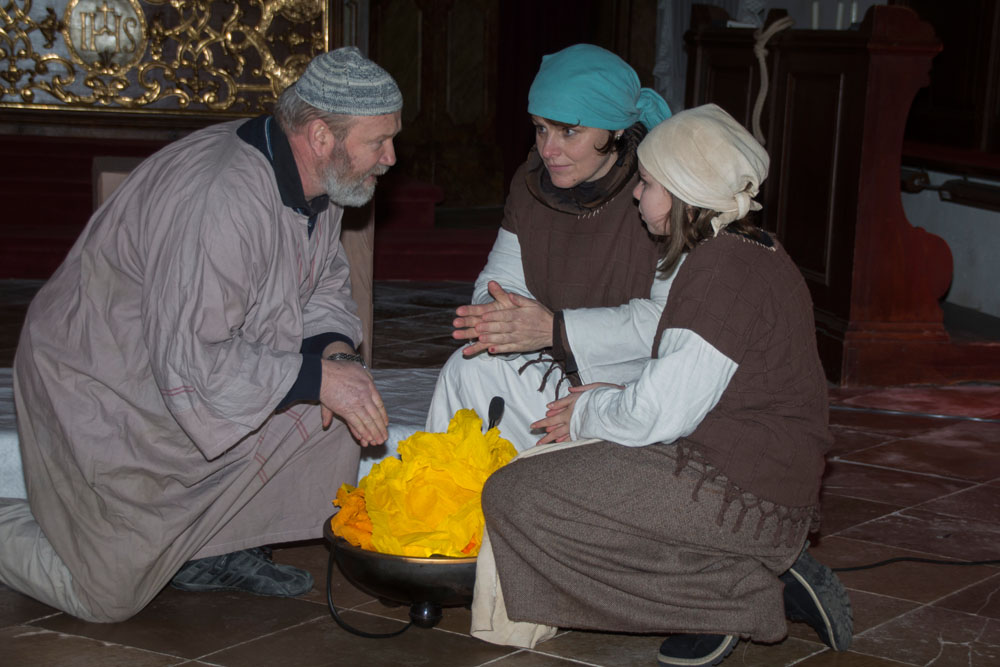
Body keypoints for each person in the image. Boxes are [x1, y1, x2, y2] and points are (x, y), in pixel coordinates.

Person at [0, 46, 400, 623]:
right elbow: (194, 361)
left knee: (341, 412)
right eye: (379, 142)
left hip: (188, 371)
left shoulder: (325, 177)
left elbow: (323, 283)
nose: (390, 157)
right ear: (320, 136)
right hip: (108, 390)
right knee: (106, 596)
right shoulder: (222, 198)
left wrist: (335, 356)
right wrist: (318, 378)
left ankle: (207, 551)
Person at [479, 105, 853, 666]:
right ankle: (744, 572)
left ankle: (734, 598)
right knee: (574, 472)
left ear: (685, 194)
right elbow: (690, 384)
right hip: (752, 477)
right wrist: (605, 400)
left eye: (649, 184)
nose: (636, 194)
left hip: (746, 494)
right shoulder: (748, 248)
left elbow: (655, 415)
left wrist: (588, 412)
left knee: (517, 496)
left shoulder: (721, 272)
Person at [424, 44, 673, 451]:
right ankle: (455, 487)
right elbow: (500, 278)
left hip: (631, 383)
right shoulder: (531, 184)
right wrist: (500, 319)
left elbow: (667, 323)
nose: (548, 150)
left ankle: (542, 484)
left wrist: (555, 329)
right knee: (467, 370)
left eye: (568, 131)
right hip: (557, 365)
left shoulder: (660, 193)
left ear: (615, 129)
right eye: (541, 128)